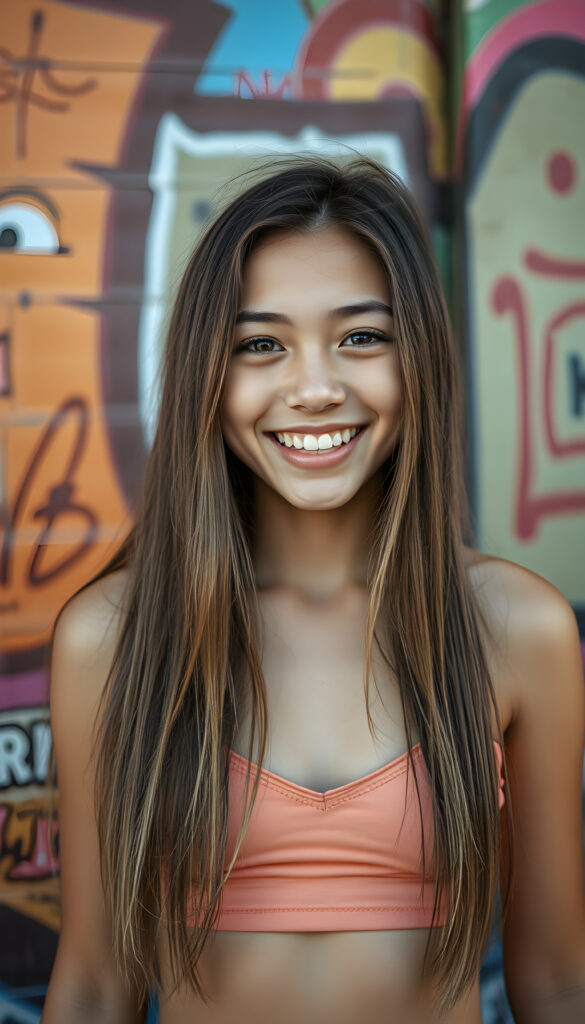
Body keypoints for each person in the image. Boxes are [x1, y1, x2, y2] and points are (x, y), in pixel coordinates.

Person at [42, 157, 585, 1024]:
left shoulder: (517, 628)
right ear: (206, 380)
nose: (314, 388)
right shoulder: (112, 638)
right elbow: (96, 981)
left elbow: (557, 982)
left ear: (419, 362)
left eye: (360, 337)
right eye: (260, 345)